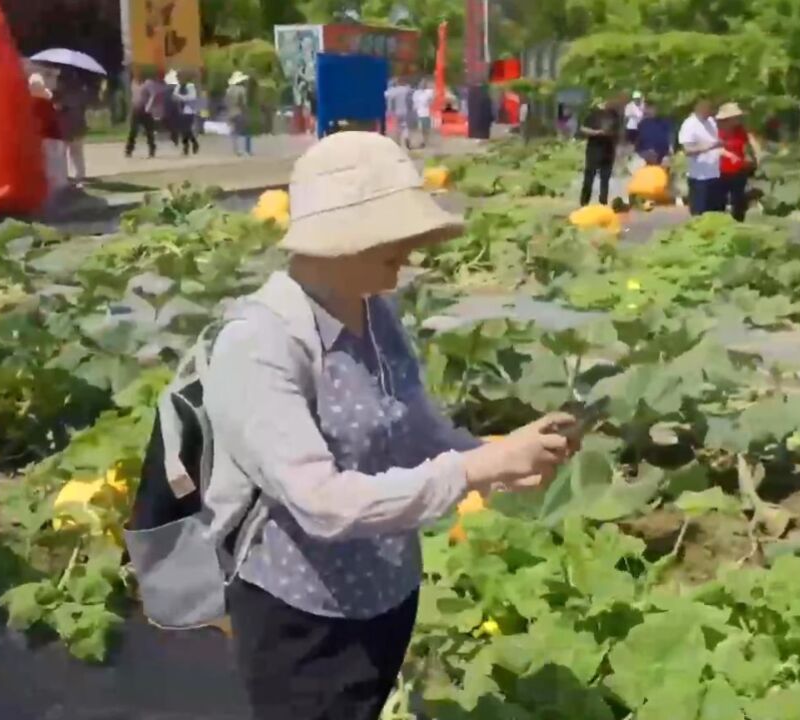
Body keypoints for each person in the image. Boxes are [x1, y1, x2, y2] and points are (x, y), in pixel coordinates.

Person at [202, 132, 578, 720]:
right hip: (304, 616)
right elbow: (322, 505)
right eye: (393, 234)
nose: (410, 248)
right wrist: (476, 466)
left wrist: (499, 461)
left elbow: (416, 430)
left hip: (387, 593)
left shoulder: (377, 312)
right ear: (339, 239)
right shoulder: (261, 343)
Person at [678, 98, 724, 216]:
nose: (710, 110)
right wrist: (708, 147)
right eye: (707, 107)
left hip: (715, 175)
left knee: (715, 213)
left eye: (710, 107)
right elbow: (687, 150)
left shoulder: (711, 122)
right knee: (700, 214)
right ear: (698, 107)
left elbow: (717, 144)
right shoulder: (689, 124)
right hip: (699, 177)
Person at [716, 102, 761, 222]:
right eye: (735, 117)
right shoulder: (717, 131)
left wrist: (756, 155)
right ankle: (718, 224)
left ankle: (738, 223)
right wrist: (728, 154)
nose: (738, 119)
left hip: (739, 169)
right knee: (719, 200)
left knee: (739, 200)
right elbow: (714, 149)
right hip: (720, 170)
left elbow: (748, 143)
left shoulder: (740, 130)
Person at [578, 93, 623, 206]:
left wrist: (617, 143)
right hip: (594, 148)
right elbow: (583, 128)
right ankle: (584, 202)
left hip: (609, 149)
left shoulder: (615, 115)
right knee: (589, 176)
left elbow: (619, 132)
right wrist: (596, 133)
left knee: (605, 179)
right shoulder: (593, 114)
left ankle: (603, 203)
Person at [53, 68, 91, 184]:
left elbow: (57, 108)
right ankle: (80, 176)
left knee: (62, 153)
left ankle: (64, 177)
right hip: (79, 124)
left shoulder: (59, 93)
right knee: (77, 152)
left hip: (66, 126)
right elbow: (84, 107)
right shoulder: (81, 91)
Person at [125, 71, 162, 159]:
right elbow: (133, 96)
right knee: (133, 131)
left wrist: (148, 106)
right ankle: (129, 150)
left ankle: (152, 150)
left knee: (149, 131)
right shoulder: (133, 83)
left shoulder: (148, 83)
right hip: (136, 109)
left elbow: (153, 95)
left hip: (145, 110)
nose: (137, 74)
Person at [170, 72, 201, 156]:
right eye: (178, 78)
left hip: (189, 110)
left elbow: (191, 97)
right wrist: (176, 98)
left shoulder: (190, 86)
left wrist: (179, 97)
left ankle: (191, 144)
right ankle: (189, 145)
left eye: (180, 78)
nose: (179, 80)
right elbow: (174, 96)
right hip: (180, 110)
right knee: (183, 130)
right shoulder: (178, 86)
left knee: (186, 129)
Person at [226, 71, 253, 156]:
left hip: (230, 112)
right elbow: (242, 103)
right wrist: (246, 112)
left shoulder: (228, 90)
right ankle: (247, 150)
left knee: (234, 132)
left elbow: (226, 102)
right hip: (239, 112)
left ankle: (236, 150)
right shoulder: (241, 90)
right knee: (247, 131)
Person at [384, 79, 414, 148]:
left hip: (397, 112)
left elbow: (390, 101)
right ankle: (406, 138)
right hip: (405, 111)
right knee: (405, 126)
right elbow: (411, 93)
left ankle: (398, 142)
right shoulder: (404, 89)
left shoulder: (392, 91)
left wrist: (390, 111)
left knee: (398, 127)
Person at [412, 80, 435, 147]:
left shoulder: (429, 92)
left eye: (424, 84)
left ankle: (425, 141)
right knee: (420, 129)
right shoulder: (416, 93)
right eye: (421, 84)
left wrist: (430, 102)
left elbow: (432, 100)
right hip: (418, 113)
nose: (422, 85)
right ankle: (422, 141)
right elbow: (414, 103)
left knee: (426, 129)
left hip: (425, 114)